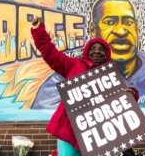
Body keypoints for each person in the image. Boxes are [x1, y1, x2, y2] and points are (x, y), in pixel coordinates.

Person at [31, 16, 138, 155]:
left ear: (107, 54)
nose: (97, 51)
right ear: (87, 51)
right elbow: (50, 53)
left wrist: (131, 94)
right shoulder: (73, 65)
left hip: (96, 133)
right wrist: (38, 31)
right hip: (69, 130)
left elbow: (126, 93)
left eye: (101, 49)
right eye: (93, 48)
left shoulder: (111, 74)